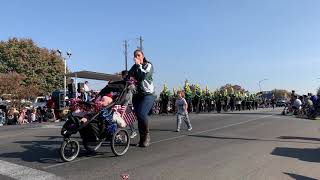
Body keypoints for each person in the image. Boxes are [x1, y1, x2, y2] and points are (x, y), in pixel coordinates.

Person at [128, 49, 156, 147]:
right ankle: (141, 139)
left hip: (148, 95)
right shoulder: (134, 67)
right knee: (139, 117)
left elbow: (142, 76)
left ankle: (147, 136)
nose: (137, 57)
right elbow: (128, 77)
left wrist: (138, 65)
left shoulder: (148, 65)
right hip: (137, 95)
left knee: (142, 114)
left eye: (139, 55)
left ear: (143, 56)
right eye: (135, 56)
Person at [121, 70, 137, 139]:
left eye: (125, 75)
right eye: (123, 75)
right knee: (124, 118)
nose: (124, 77)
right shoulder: (123, 82)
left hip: (128, 103)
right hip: (122, 103)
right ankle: (131, 131)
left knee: (127, 118)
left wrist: (130, 85)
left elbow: (134, 89)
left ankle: (133, 131)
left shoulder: (130, 82)